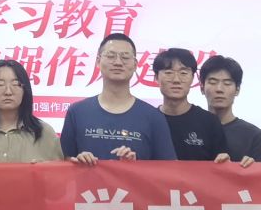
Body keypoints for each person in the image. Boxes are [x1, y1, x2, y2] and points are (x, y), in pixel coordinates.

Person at [61, 33, 178, 162]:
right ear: (98, 61)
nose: (118, 62)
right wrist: (78, 160)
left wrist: (136, 164)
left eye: (125, 57)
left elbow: (167, 168)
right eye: (111, 56)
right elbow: (62, 161)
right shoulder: (77, 112)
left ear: (135, 64)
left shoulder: (153, 117)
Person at [0, 58, 65, 163]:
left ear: (25, 90)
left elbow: (60, 171)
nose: (8, 92)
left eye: (15, 84)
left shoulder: (45, 133)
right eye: (0, 84)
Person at [152, 47, 232, 162]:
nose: (176, 80)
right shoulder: (149, 120)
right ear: (156, 78)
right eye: (169, 73)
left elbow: (221, 165)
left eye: (183, 73)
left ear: (193, 78)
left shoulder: (209, 122)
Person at [200, 55, 261, 163]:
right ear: (202, 88)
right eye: (213, 82)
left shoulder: (254, 136)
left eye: (227, 83)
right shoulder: (191, 130)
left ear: (237, 90)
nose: (219, 89)